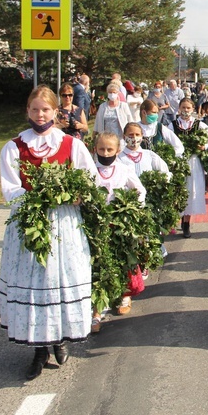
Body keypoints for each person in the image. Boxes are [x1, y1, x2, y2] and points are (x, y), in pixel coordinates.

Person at [0, 86, 97, 379]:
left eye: (45, 109)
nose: (40, 114)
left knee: (58, 277)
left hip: (64, 223)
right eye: (34, 109)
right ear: (27, 111)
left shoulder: (71, 144)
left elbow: (88, 178)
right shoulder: (14, 146)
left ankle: (60, 338)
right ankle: (39, 348)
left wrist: (78, 193)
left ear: (56, 112)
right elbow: (10, 189)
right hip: (30, 221)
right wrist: (37, 198)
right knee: (35, 279)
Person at [92, 131, 147, 326]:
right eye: (101, 149)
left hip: (118, 224)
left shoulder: (124, 169)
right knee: (97, 263)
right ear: (95, 149)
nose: (105, 153)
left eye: (109, 149)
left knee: (121, 259)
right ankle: (96, 309)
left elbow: (140, 190)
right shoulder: (89, 170)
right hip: (96, 225)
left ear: (117, 150)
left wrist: (129, 208)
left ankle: (124, 295)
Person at [168, 98, 208, 238]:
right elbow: (166, 140)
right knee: (177, 190)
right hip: (177, 162)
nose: (185, 110)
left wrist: (204, 146)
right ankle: (174, 220)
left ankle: (186, 224)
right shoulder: (172, 125)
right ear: (179, 108)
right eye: (183, 107)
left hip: (193, 162)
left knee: (190, 191)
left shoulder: (198, 125)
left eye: (188, 108)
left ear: (193, 109)